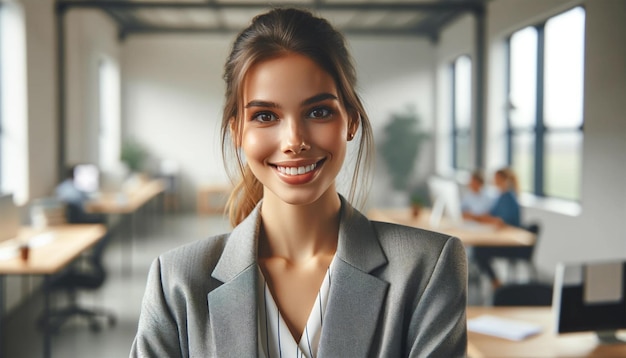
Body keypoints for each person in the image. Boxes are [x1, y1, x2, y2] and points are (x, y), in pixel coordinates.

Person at [130, 8, 467, 357]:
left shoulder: (427, 268)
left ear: (350, 121)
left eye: (318, 111)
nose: (294, 140)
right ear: (237, 132)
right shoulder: (176, 281)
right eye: (265, 116)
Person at [465, 167, 521, 289]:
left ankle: (495, 282)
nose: (493, 181)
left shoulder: (508, 198)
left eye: (496, 178)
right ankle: (492, 281)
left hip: (510, 244)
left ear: (503, 180)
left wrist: (478, 218)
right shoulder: (500, 197)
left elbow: (500, 221)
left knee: (479, 251)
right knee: (477, 249)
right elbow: (491, 215)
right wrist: (479, 217)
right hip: (501, 238)